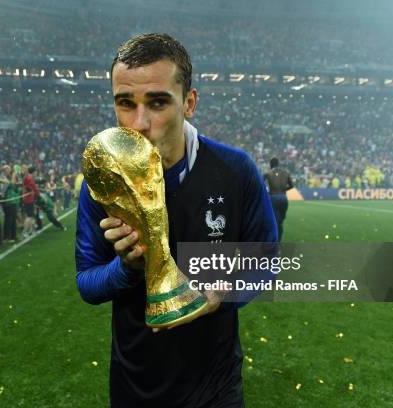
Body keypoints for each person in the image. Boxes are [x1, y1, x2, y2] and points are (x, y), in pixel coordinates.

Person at [75, 34, 277, 407]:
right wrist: (126, 269)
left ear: (189, 102)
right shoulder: (101, 185)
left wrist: (218, 294)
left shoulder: (235, 171)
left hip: (215, 387)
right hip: (134, 384)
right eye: (125, 103)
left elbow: (266, 261)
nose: (138, 122)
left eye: (157, 102)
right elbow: (87, 282)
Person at [263, 157, 293, 241]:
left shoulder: (268, 173)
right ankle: (278, 242)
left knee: (273, 221)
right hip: (283, 199)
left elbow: (260, 182)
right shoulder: (286, 173)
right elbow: (292, 186)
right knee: (280, 222)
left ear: (270, 164)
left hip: (273, 199)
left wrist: (267, 191)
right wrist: (283, 190)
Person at [21, 165, 40, 239]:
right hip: (28, 199)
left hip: (29, 199)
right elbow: (33, 187)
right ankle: (25, 232)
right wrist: (38, 194)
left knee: (31, 216)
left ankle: (31, 231)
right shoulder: (29, 178)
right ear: (34, 172)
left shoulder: (28, 177)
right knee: (29, 216)